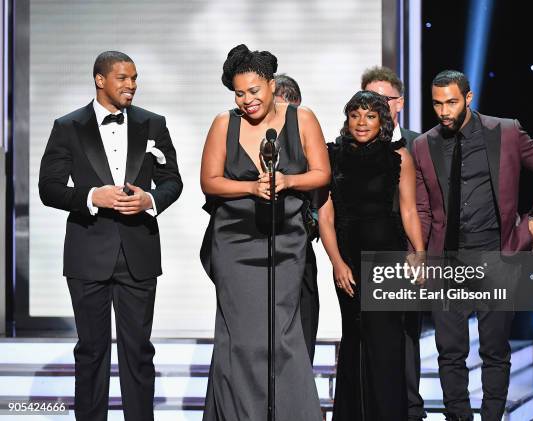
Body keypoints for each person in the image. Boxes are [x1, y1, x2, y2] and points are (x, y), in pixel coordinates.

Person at [38, 51, 182, 421]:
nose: (131, 85)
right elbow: (48, 188)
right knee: (91, 351)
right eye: (122, 78)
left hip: (139, 253)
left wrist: (149, 199)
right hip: (88, 254)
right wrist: (91, 197)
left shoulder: (154, 123)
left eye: (134, 78)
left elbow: (173, 181)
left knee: (138, 351)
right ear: (100, 80)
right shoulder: (68, 126)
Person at [412, 70, 533, 420]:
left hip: (497, 256)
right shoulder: (423, 145)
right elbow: (421, 206)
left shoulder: (505, 132)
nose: (444, 111)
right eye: (437, 103)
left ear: (468, 97)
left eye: (451, 102)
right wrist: (417, 250)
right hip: (445, 261)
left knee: (494, 349)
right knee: (449, 352)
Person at [199, 44, 330, 420]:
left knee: (282, 335)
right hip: (235, 243)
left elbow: (321, 174)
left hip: (285, 241)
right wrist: (250, 188)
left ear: (271, 85)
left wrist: (287, 180)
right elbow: (209, 182)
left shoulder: (302, 119)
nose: (247, 100)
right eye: (239, 93)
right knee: (239, 337)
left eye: (254, 91)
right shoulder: (224, 123)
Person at [319, 90, 426, 420]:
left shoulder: (399, 157)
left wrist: (419, 252)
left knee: (385, 343)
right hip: (347, 258)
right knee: (354, 340)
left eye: (369, 116)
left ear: (382, 121)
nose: (361, 122)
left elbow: (408, 210)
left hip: (387, 259)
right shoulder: (331, 155)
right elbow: (325, 216)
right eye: (355, 115)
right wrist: (337, 262)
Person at [274, 73, 320, 364]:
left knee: (303, 328)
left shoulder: (307, 135)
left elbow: (322, 186)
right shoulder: (243, 133)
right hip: (257, 247)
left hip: (299, 245)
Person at [337, 66, 419, 151]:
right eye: (368, 98)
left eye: (382, 98)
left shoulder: (419, 143)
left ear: (399, 103)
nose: (374, 105)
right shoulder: (342, 144)